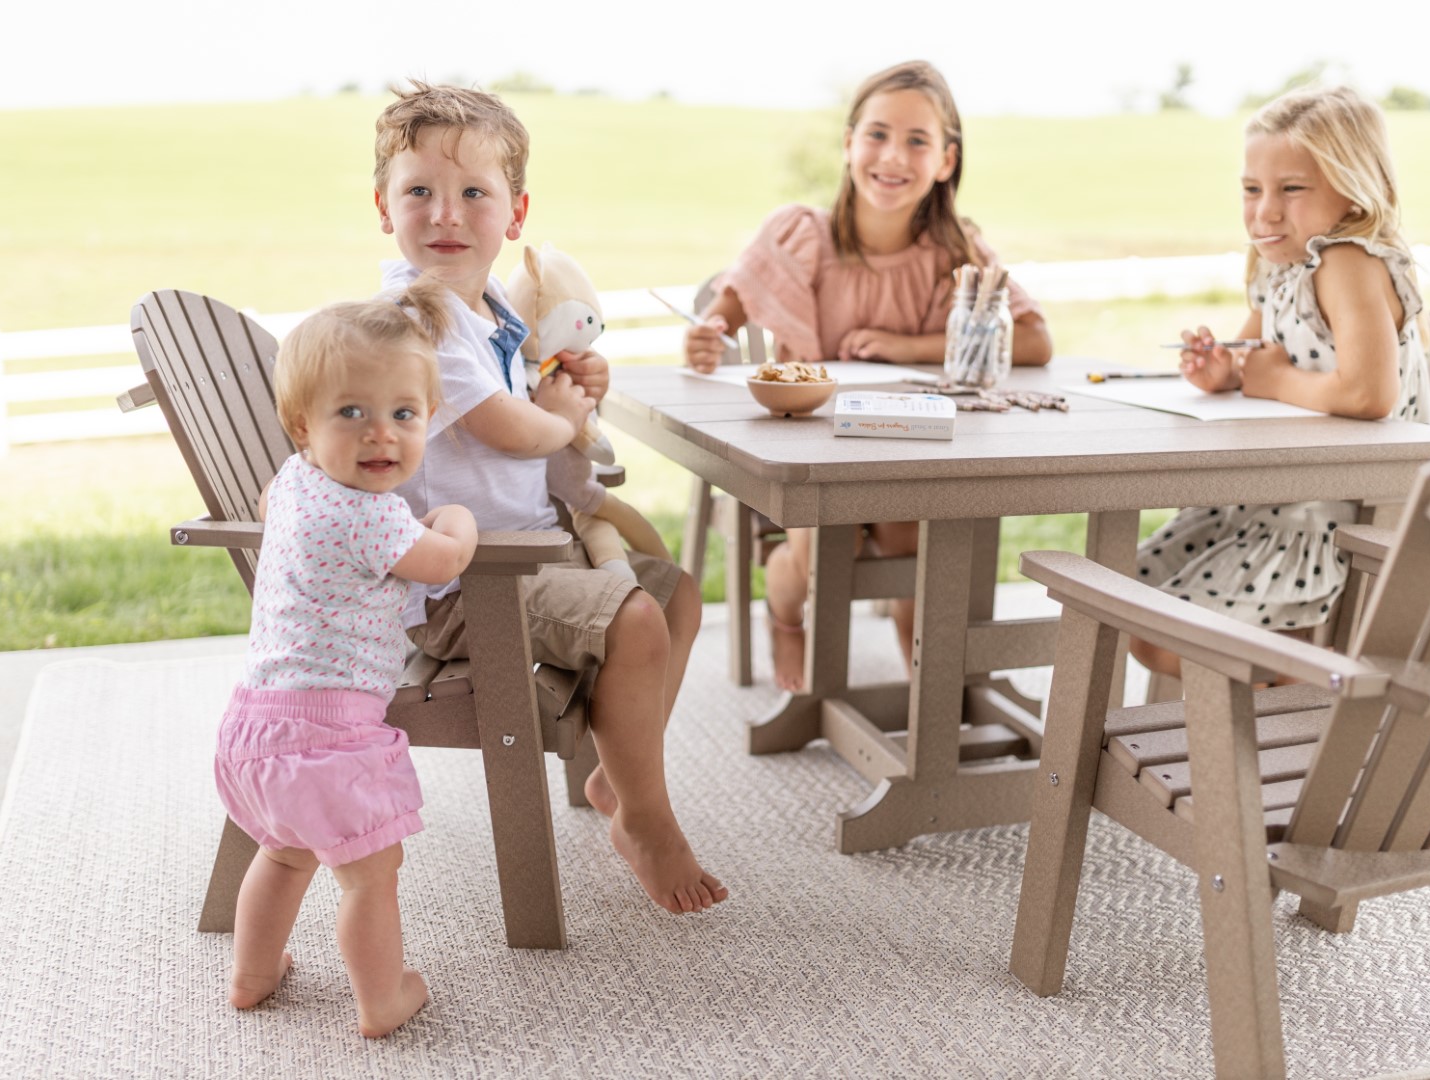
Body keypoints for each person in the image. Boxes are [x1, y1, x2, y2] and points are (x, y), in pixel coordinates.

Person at [372, 81, 727, 915]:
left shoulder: (488, 313)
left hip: (526, 553)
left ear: (516, 213)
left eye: (473, 193)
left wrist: (570, 391)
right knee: (635, 619)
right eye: (419, 190)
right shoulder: (414, 318)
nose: (446, 213)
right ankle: (648, 818)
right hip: (462, 581)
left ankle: (617, 780)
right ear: (384, 207)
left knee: (674, 599)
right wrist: (557, 415)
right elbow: (508, 431)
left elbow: (530, 415)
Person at [682, 60, 1053, 691]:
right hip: (807, 452)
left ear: (945, 160)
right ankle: (788, 615)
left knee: (912, 535)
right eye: (877, 134)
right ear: (849, 143)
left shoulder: (958, 252)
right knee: (827, 546)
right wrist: (705, 338)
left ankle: (928, 686)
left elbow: (1036, 341)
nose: (893, 156)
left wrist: (904, 344)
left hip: (906, 447)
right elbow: (722, 313)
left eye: (917, 140)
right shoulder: (801, 233)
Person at [214, 281, 480, 1037]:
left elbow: (272, 512)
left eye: (404, 415)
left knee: (284, 853)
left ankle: (253, 974)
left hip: (253, 730)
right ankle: (382, 999)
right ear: (303, 425)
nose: (380, 437)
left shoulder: (294, 483)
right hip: (332, 738)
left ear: (427, 417)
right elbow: (443, 559)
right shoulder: (373, 519)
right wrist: (456, 518)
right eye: (352, 415)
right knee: (371, 879)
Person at [1129, 86, 1430, 680]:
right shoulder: (1284, 268)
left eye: (1292, 189)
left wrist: (1274, 381)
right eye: (1251, 189)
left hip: (1333, 521)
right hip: (1266, 503)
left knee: (1164, 640)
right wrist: (1225, 373)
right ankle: (1261, 723)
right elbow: (1256, 361)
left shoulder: (1347, 260)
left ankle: (1288, 720)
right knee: (1136, 602)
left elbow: (1369, 395)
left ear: (1353, 187)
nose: (1265, 210)